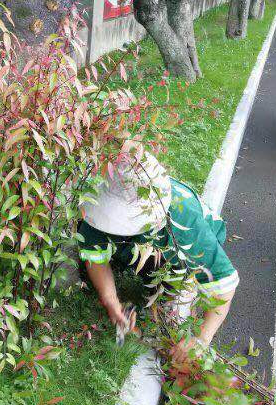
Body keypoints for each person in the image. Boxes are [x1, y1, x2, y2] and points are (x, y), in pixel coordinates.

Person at [78, 142, 239, 360]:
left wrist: (201, 340)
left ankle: (177, 288)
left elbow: (225, 285)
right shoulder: (100, 205)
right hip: (145, 248)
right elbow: (95, 257)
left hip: (180, 255)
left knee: (172, 322)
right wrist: (111, 301)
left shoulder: (186, 225)